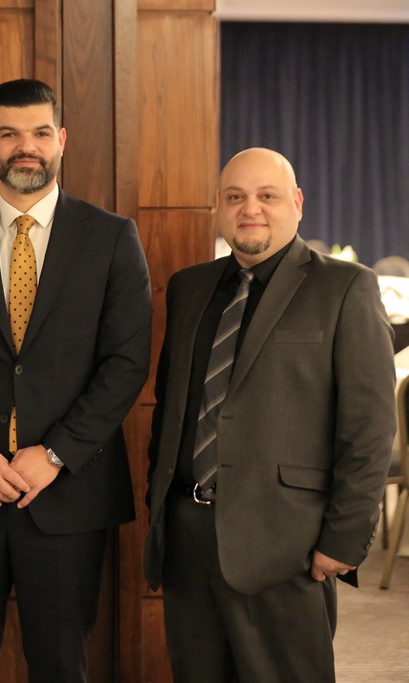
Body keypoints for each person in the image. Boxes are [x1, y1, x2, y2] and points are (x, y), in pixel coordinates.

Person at [0, 79, 151, 682]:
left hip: (68, 496)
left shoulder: (111, 237)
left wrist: (57, 453)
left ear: (61, 139)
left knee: (61, 665)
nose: (26, 147)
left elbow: (125, 364)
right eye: (10, 133)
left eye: (40, 132)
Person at [144, 147, 395, 682]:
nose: (250, 208)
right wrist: (159, 503)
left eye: (267, 196)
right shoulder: (190, 287)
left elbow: (369, 427)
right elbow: (171, 406)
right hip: (187, 538)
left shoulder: (345, 287)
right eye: (236, 197)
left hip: (287, 545)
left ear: (297, 203)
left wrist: (344, 539)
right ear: (218, 205)